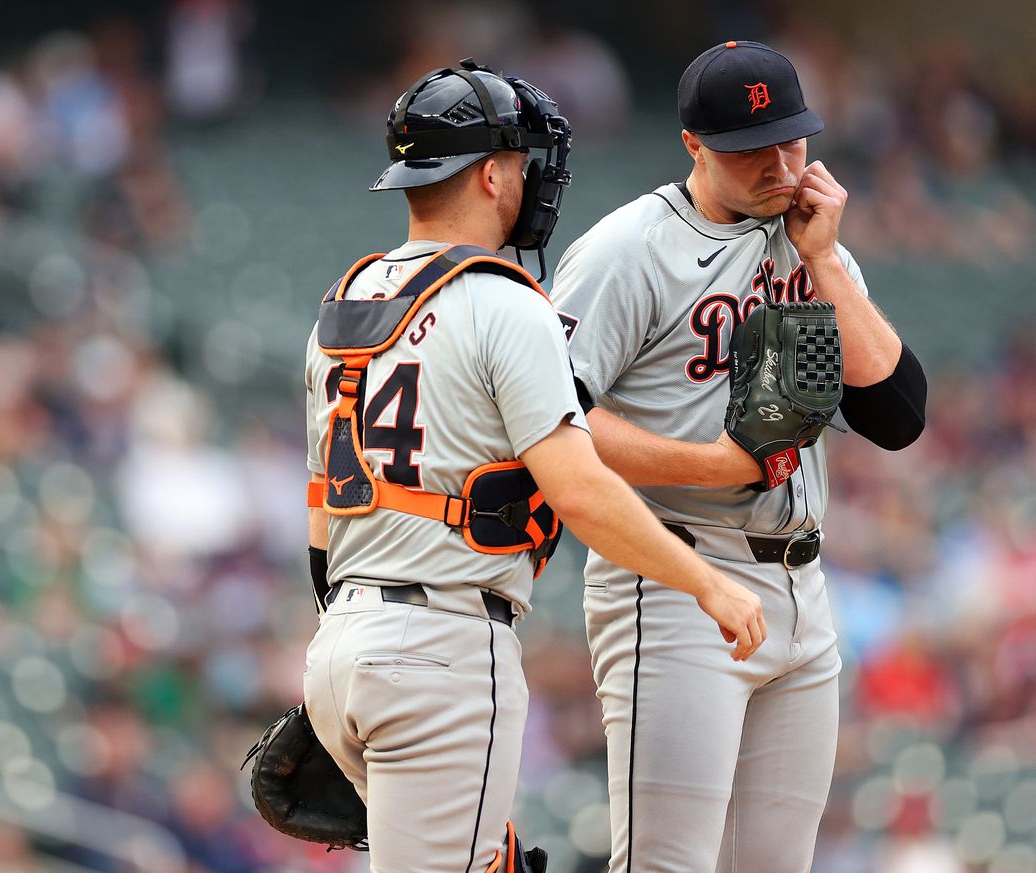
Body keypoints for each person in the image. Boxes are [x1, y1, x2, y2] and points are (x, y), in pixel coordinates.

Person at [301, 61, 767, 873]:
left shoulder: (346, 302)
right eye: (518, 163)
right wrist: (709, 582)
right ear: (489, 174)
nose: (527, 179)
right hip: (441, 648)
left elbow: (320, 510)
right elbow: (580, 491)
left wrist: (360, 641)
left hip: (341, 647)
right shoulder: (509, 302)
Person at [550, 40, 928, 873]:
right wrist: (712, 465)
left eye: (792, 139)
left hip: (802, 585)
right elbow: (547, 422)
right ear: (693, 144)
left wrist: (825, 259)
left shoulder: (815, 243)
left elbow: (898, 414)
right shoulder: (628, 250)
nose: (779, 162)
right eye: (751, 146)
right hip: (676, 574)